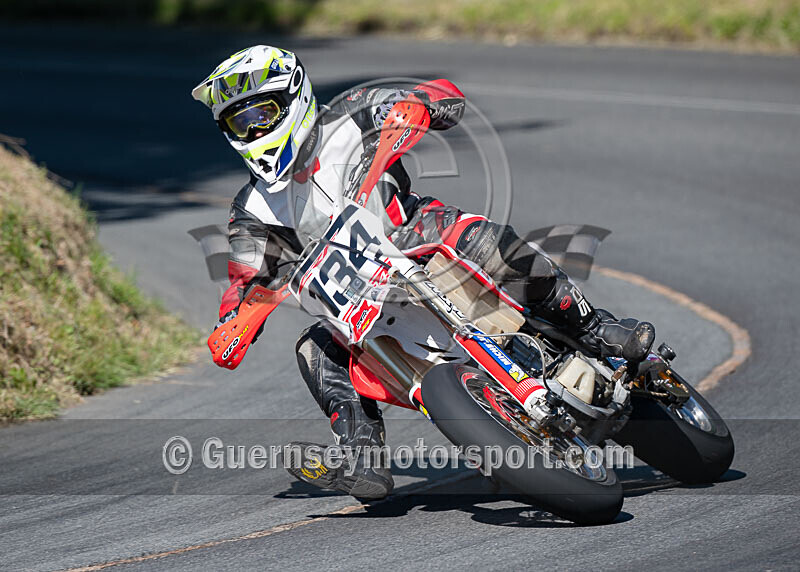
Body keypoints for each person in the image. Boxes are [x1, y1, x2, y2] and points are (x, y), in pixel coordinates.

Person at [192, 45, 655, 500]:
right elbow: (246, 275)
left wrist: (417, 109)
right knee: (314, 348)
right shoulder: (251, 209)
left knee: (478, 237)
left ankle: (595, 328)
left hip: (417, 239)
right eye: (239, 121)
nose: (252, 130)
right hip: (359, 299)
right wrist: (234, 322)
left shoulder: (349, 117)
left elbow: (441, 94)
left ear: (293, 96)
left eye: (260, 113)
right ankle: (360, 456)